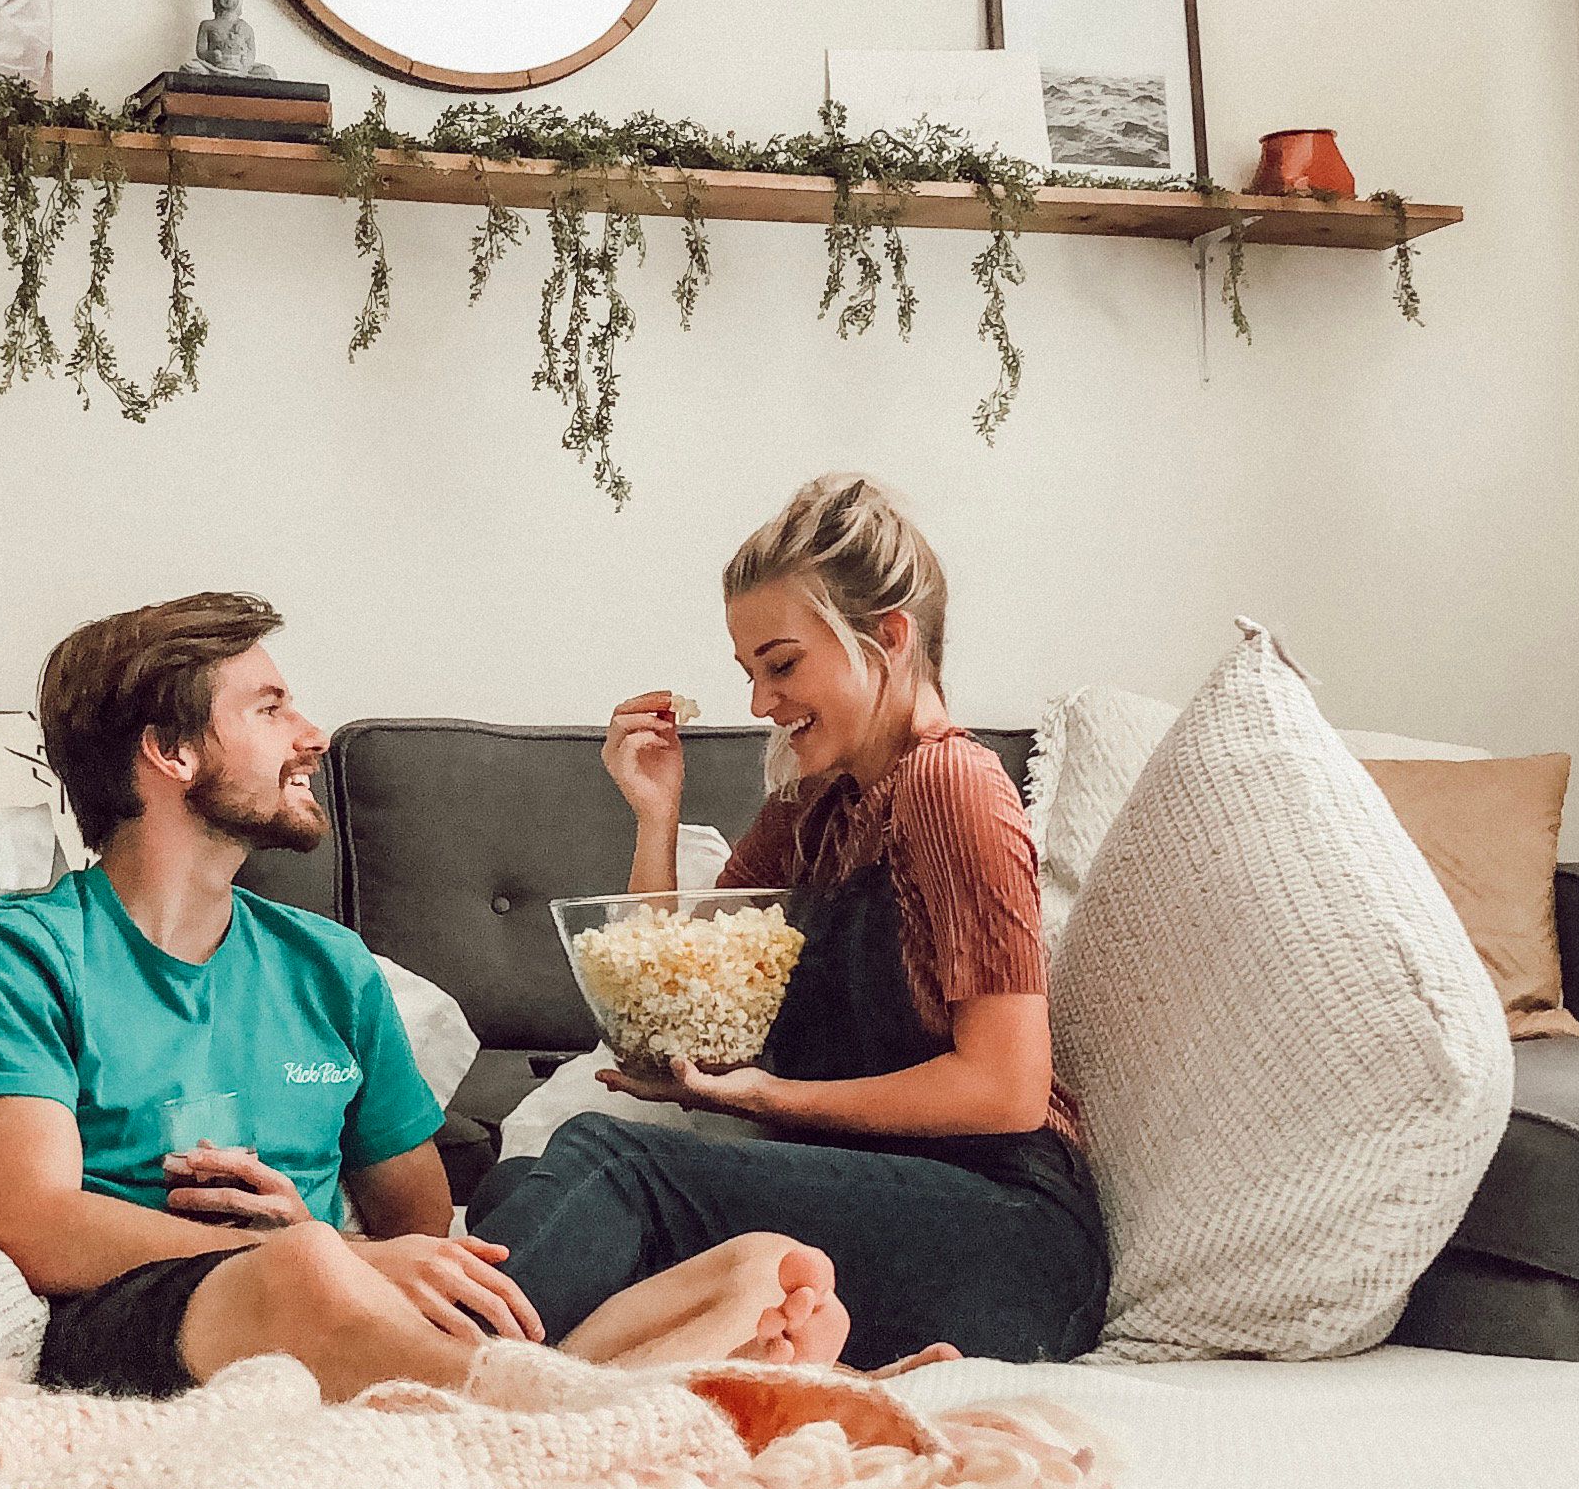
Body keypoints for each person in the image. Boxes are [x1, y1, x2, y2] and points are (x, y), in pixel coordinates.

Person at [0, 593, 868, 1402]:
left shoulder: (329, 966)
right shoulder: (17, 953)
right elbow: (34, 1222)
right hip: (146, 1313)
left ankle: (570, 1405)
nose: (311, 736)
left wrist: (338, 1247)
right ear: (171, 751)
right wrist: (320, 1251)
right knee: (302, 1268)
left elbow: (419, 1227)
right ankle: (591, 1408)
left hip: (355, 1315)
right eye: (270, 709)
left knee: (768, 1265)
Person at [469, 475, 1110, 1371]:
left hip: (1004, 1230)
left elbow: (1006, 1088)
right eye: (750, 673)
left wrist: (769, 1097)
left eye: (782, 664)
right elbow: (667, 1012)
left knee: (607, 1165)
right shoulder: (812, 805)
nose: (760, 702)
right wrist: (655, 814)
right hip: (878, 1199)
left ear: (888, 637)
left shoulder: (952, 784)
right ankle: (588, 1374)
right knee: (515, 1191)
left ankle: (421, 1372)